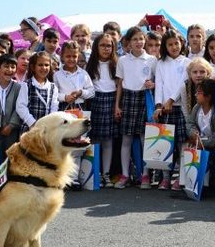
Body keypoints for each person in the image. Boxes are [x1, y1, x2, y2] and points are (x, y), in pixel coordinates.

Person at [114, 27, 156, 188]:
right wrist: (117, 106)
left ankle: (145, 175)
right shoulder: (123, 60)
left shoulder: (152, 60)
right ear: (128, 42)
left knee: (145, 139)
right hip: (128, 98)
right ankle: (125, 174)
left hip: (144, 98)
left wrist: (153, 84)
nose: (139, 42)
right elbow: (119, 85)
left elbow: (158, 82)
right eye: (135, 39)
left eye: (141, 38)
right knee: (126, 139)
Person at [153, 30, 189, 190]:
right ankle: (165, 178)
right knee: (165, 144)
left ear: (181, 43)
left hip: (180, 108)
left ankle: (180, 177)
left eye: (176, 43)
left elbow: (183, 83)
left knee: (182, 144)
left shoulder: (187, 62)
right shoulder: (160, 63)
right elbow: (159, 85)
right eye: (170, 44)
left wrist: (172, 100)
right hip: (165, 110)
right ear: (165, 46)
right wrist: (158, 105)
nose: (174, 47)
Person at [85, 33, 120, 186]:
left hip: (112, 100)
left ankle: (106, 173)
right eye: (102, 45)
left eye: (109, 45)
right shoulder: (90, 64)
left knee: (108, 140)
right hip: (95, 100)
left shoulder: (117, 64)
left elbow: (119, 85)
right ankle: (96, 172)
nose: (106, 49)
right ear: (96, 47)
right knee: (95, 139)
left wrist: (117, 105)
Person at [184, 78, 215, 196]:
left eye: (199, 92)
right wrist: (193, 133)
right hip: (200, 142)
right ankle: (197, 183)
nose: (196, 95)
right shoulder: (197, 108)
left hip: (214, 145)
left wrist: (202, 143)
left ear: (208, 96)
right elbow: (190, 123)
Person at [15, 51, 58, 132]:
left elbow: (54, 107)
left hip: (46, 129)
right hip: (29, 128)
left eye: (46, 65)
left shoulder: (53, 87)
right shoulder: (26, 85)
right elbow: (20, 107)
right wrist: (32, 123)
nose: (44, 68)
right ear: (33, 67)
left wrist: (50, 123)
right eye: (40, 65)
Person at [55, 42, 94, 112]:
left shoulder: (83, 73)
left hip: (80, 107)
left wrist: (81, 93)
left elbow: (92, 92)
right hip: (63, 107)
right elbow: (53, 94)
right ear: (62, 57)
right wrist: (64, 97)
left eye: (74, 56)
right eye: (68, 56)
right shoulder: (57, 75)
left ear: (78, 57)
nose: (71, 59)